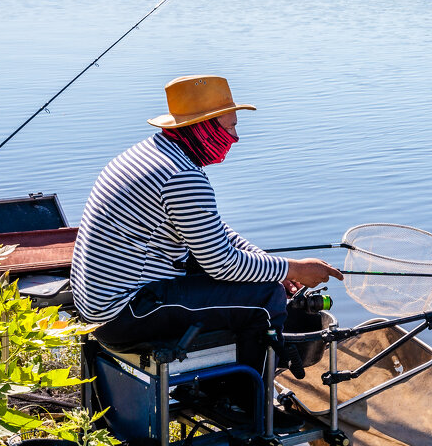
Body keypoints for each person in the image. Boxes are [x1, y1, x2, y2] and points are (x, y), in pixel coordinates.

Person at [70, 74, 342, 370]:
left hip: (99, 303)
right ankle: (246, 406)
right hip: (124, 314)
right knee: (266, 298)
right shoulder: (181, 176)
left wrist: (268, 263)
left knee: (257, 277)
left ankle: (221, 380)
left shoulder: (154, 152)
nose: (235, 138)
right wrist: (294, 269)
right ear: (203, 127)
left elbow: (213, 233)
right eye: (231, 127)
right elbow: (221, 264)